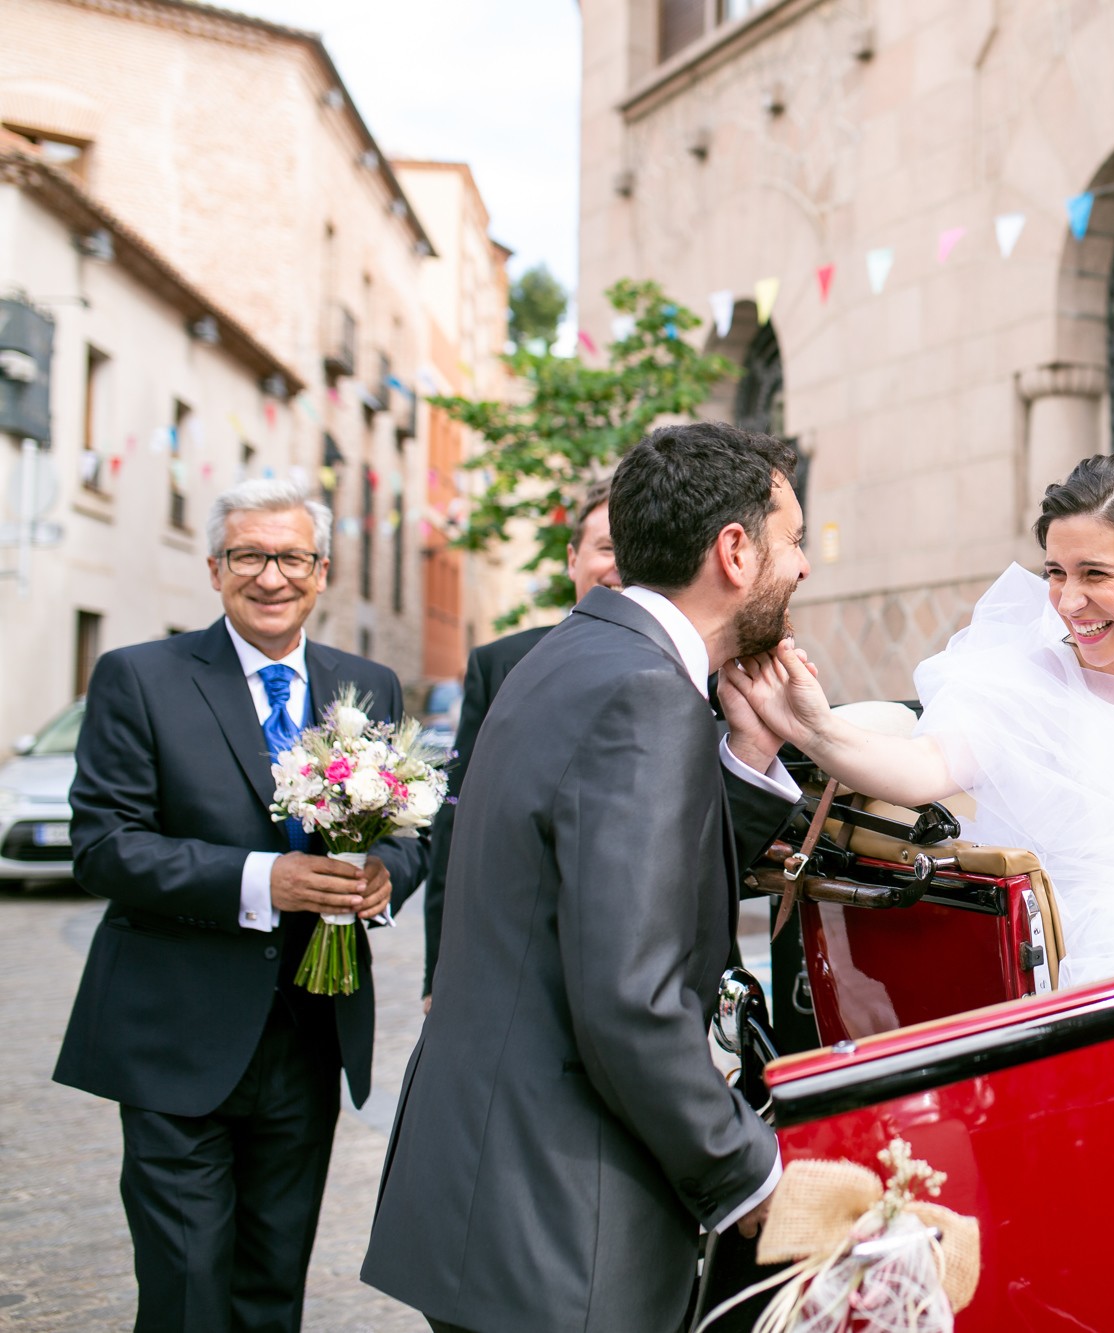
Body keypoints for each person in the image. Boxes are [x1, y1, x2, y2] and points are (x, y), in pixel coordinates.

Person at [361, 421, 808, 1333]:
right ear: (734, 551)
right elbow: (628, 996)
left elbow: (609, 872)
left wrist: (751, 757)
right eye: (792, 540)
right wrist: (744, 1170)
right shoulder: (644, 693)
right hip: (561, 1216)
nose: (802, 567)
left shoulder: (576, 652)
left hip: (488, 1191)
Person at [725, 452, 1114, 988]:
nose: (1069, 602)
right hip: (1107, 953)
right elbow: (924, 770)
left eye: (1095, 574)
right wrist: (813, 727)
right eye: (1056, 573)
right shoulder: (1036, 678)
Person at [53, 478, 429, 1332]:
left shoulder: (366, 684)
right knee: (186, 1285)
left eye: (291, 557)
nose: (271, 576)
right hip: (173, 1034)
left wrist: (382, 875)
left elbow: (412, 832)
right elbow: (104, 845)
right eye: (250, 556)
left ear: (322, 570)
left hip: (311, 1032)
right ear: (216, 569)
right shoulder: (138, 677)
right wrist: (263, 881)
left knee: (272, 1283)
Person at [421, 478, 620, 1007]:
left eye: (635, 548)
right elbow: (457, 813)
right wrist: (437, 968)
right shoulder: (502, 665)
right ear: (572, 558)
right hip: (520, 960)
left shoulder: (701, 672)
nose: (619, 566)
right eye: (605, 548)